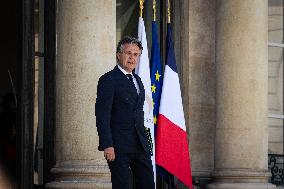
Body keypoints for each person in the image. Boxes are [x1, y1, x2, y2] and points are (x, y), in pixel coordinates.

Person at [95, 36, 154, 189]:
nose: (131, 58)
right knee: (122, 185)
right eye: (128, 53)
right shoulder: (108, 80)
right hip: (118, 146)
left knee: (148, 183)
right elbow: (102, 115)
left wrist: (147, 143)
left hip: (140, 144)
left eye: (135, 54)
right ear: (118, 55)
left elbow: (138, 113)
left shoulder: (138, 80)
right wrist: (107, 144)